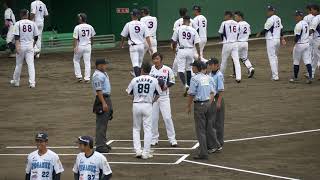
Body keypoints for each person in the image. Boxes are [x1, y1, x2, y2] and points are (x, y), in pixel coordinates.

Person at [126, 62, 162, 159]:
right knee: (147, 129)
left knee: (136, 129)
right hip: (148, 105)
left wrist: (135, 99)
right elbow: (159, 94)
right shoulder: (154, 80)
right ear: (150, 70)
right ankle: (146, 153)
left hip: (136, 105)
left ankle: (138, 151)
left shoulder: (135, 79)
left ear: (142, 69)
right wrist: (152, 101)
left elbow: (129, 93)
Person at [187, 60, 217, 160]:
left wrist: (188, 106)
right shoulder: (209, 78)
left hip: (199, 106)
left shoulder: (194, 79)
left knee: (200, 130)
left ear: (197, 67)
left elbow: (191, 94)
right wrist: (209, 103)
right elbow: (213, 92)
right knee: (208, 127)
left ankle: (203, 153)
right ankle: (212, 146)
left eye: (193, 66)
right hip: (208, 104)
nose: (192, 68)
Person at [149, 52, 178, 147]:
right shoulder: (151, 69)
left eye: (157, 59)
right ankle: (154, 138)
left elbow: (172, 81)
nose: (155, 61)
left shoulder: (167, 69)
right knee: (153, 118)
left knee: (167, 118)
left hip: (164, 97)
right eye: (154, 59)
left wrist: (166, 86)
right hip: (153, 97)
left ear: (161, 59)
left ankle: (172, 139)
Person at [171, 16, 201, 97]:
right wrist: (199, 54)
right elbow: (197, 44)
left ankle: (185, 85)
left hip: (181, 50)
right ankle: (189, 86)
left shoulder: (178, 29)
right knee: (188, 69)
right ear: (190, 21)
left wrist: (174, 49)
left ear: (183, 21)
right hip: (190, 50)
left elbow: (173, 41)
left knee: (180, 70)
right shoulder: (193, 30)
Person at [10, 9, 39, 88]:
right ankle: (32, 83)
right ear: (27, 14)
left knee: (18, 64)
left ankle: (16, 82)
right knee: (31, 65)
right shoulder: (33, 23)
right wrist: (33, 44)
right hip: (30, 45)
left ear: (20, 15)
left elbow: (16, 37)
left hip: (21, 45)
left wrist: (17, 47)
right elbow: (36, 36)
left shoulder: (17, 23)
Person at [256, 5, 286, 81]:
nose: (268, 12)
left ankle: (275, 76)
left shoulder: (270, 19)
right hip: (277, 40)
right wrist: (282, 39)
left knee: (272, 58)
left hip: (271, 40)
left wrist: (259, 33)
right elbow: (281, 30)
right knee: (275, 57)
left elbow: (265, 30)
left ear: (272, 11)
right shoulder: (278, 18)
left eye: (269, 11)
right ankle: (276, 74)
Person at [120, 9, 153, 77]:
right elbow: (147, 37)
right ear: (138, 16)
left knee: (135, 63)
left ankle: (138, 78)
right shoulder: (143, 24)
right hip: (141, 46)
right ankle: (139, 76)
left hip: (133, 47)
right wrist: (150, 46)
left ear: (132, 15)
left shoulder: (128, 24)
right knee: (140, 63)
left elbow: (123, 36)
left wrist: (122, 43)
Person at [92, 59, 113, 153]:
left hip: (106, 98)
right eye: (104, 65)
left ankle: (103, 143)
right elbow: (98, 90)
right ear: (99, 65)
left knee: (104, 123)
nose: (105, 66)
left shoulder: (103, 73)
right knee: (101, 124)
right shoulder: (97, 76)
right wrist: (104, 103)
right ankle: (100, 146)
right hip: (102, 99)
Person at [207, 58, 225, 151]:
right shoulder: (210, 74)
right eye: (209, 65)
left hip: (218, 98)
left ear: (216, 65)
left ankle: (219, 143)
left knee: (218, 122)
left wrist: (218, 102)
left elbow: (221, 90)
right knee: (212, 122)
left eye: (211, 65)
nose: (210, 66)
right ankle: (214, 142)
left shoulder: (219, 75)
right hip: (212, 98)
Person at [290, 10, 312, 84]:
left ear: (300, 16)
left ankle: (295, 78)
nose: (295, 17)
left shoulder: (298, 25)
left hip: (300, 45)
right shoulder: (306, 23)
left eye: (296, 16)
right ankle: (310, 77)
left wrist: (294, 44)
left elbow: (297, 37)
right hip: (307, 44)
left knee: (296, 61)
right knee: (307, 61)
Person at [218, 11, 241, 83]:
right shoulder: (237, 23)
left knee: (224, 61)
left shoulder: (224, 23)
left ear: (228, 16)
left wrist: (223, 40)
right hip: (235, 44)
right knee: (236, 61)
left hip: (227, 44)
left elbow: (221, 33)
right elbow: (238, 34)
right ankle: (238, 77)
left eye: (225, 15)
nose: (224, 17)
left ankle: (221, 77)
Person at [73, 13, 96, 83]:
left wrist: (74, 47)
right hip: (88, 46)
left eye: (79, 18)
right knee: (87, 62)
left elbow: (75, 39)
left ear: (81, 19)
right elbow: (92, 37)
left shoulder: (77, 27)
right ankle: (87, 78)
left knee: (76, 60)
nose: (78, 19)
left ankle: (79, 77)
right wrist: (91, 44)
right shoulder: (90, 26)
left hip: (80, 46)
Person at [234, 11, 255, 78]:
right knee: (244, 58)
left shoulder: (237, 24)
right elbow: (249, 34)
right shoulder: (247, 24)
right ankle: (251, 68)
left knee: (235, 58)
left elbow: (235, 34)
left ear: (240, 17)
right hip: (245, 43)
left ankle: (237, 74)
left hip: (238, 43)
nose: (235, 18)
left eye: (236, 17)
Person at [303, 4, 315, 79]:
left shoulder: (306, 17)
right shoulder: (317, 16)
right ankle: (311, 72)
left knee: (309, 55)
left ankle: (310, 73)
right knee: (316, 55)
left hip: (309, 37)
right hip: (316, 37)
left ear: (308, 9)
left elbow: (304, 28)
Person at [309, 4, 320, 80]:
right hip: (317, 39)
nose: (311, 11)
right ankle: (311, 74)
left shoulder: (316, 18)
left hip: (318, 40)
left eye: (311, 10)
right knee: (315, 57)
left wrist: (304, 34)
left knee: (318, 56)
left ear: (315, 10)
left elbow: (312, 30)